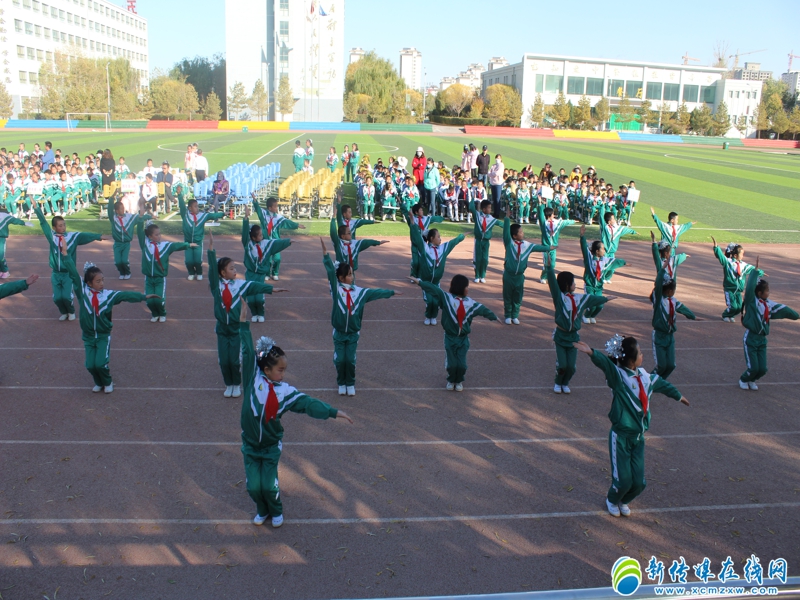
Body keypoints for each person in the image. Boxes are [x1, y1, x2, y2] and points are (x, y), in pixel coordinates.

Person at [238, 311, 352, 528]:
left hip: (270, 447)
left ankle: (276, 509)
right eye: (280, 370)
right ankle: (262, 510)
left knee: (269, 486)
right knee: (254, 487)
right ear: (267, 369)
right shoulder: (252, 378)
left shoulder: (285, 392)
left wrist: (333, 412)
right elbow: (246, 348)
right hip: (250, 446)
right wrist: (244, 324)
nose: (283, 373)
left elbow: (308, 404)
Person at [573, 335, 689, 517]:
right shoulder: (618, 378)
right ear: (631, 359)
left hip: (638, 438)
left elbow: (662, 384)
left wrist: (678, 396)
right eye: (640, 353)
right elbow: (606, 365)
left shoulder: (645, 377)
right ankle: (612, 499)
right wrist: (592, 353)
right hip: (621, 436)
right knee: (623, 480)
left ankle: (624, 500)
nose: (643, 356)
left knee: (639, 483)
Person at [62, 249, 154, 393]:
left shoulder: (108, 295)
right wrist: (66, 256)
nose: (102, 283)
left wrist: (142, 297)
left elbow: (124, 295)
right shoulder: (82, 292)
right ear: (89, 283)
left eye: (103, 280)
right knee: (90, 365)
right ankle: (98, 382)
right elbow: (73, 273)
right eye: (98, 281)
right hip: (88, 336)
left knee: (100, 363)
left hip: (103, 335)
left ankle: (107, 381)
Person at [208, 231, 286, 399]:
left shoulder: (240, 285)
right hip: (222, 329)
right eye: (231, 268)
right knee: (224, 360)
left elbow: (256, 286)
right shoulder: (216, 286)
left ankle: (236, 384)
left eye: (235, 267)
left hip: (236, 329)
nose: (235, 271)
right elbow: (211, 272)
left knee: (234, 360)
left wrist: (272, 289)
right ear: (222, 273)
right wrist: (211, 250)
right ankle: (228, 384)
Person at [321, 238, 398, 396]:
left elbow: (375, 293)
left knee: (350, 360)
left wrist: (391, 292)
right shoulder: (336, 290)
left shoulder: (359, 292)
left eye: (352, 274)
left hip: (353, 333)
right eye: (349, 275)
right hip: (339, 333)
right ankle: (341, 382)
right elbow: (330, 272)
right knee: (340, 360)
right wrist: (326, 256)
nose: (353, 277)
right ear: (341, 279)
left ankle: (350, 382)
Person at [409, 274, 497, 391]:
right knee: (452, 364)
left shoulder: (470, 303)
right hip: (450, 338)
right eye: (466, 287)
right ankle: (451, 380)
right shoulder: (447, 299)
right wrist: (420, 282)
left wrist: (494, 317)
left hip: (463, 339)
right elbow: (434, 289)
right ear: (461, 288)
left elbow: (482, 309)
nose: (468, 289)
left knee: (461, 365)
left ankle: (459, 380)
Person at [546, 265, 611, 394]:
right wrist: (549, 268)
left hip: (573, 338)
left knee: (571, 367)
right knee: (562, 365)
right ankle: (558, 382)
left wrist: (605, 299)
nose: (575, 284)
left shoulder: (579, 298)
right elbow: (553, 283)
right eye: (573, 282)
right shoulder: (559, 298)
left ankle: (566, 383)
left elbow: (592, 299)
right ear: (567, 285)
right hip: (561, 337)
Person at [33, 205, 103, 320]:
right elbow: (43, 222)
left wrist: (98, 236)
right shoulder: (52, 237)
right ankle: (63, 312)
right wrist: (36, 206)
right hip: (56, 273)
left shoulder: (72, 237)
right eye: (60, 226)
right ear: (54, 227)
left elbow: (84, 235)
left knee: (66, 296)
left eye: (64, 224)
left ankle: (71, 311)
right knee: (57, 298)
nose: (63, 227)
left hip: (68, 273)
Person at [739, 260, 799, 390]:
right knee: (753, 367)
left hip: (762, 340)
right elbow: (749, 287)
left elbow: (784, 310)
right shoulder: (752, 302)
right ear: (759, 293)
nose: (769, 293)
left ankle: (752, 380)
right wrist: (755, 272)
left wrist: (797, 315)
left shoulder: (768, 304)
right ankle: (744, 379)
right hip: (751, 338)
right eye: (767, 291)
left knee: (763, 369)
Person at [136, 214, 195, 322]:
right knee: (149, 300)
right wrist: (141, 218)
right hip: (148, 278)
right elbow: (140, 231)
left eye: (160, 234)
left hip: (159, 278)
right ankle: (154, 314)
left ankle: (162, 313)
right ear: (149, 236)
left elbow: (176, 245)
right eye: (156, 235)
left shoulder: (165, 246)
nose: (159, 236)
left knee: (159, 300)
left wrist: (188, 245)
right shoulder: (145, 245)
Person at [242, 207, 291, 323]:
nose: (262, 236)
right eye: (259, 235)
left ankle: (260, 313)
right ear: (253, 237)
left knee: (259, 297)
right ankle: (254, 313)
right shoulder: (247, 244)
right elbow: (244, 233)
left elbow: (276, 244)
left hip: (260, 275)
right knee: (251, 297)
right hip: (250, 274)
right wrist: (246, 218)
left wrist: (288, 241)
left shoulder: (265, 243)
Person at [409, 226, 466, 325]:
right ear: (431, 238)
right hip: (425, 282)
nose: (440, 239)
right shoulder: (425, 248)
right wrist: (413, 224)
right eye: (438, 237)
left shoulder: (443, 248)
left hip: (436, 282)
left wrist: (462, 236)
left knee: (435, 301)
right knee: (429, 301)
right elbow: (417, 237)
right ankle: (428, 316)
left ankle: (433, 316)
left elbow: (453, 242)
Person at [502, 217, 551, 325]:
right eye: (520, 232)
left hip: (519, 276)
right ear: (514, 236)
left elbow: (539, 247)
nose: (523, 233)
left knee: (518, 296)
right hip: (509, 275)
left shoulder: (527, 245)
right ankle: (508, 315)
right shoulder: (509, 243)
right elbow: (506, 231)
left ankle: (515, 315)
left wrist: (550, 247)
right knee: (508, 296)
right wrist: (506, 219)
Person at [651, 267, 697, 379]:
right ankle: (648, 381)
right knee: (661, 366)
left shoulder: (673, 301)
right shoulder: (658, 300)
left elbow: (683, 308)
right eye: (673, 289)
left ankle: (661, 381)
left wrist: (693, 316)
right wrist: (662, 269)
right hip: (659, 336)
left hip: (670, 337)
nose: (673, 291)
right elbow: (657, 283)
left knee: (671, 365)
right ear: (668, 290)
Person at [580, 224, 625, 325]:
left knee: (600, 305)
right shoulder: (589, 259)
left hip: (599, 287)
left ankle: (592, 316)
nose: (604, 250)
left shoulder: (605, 260)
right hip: (590, 286)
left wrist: (624, 263)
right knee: (592, 304)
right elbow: (584, 248)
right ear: (597, 251)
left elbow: (615, 262)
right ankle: (586, 315)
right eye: (603, 249)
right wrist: (582, 237)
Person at [253, 197, 305, 280]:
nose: (277, 208)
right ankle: (267, 274)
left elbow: (287, 222)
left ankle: (275, 273)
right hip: (266, 241)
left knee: (277, 258)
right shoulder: (263, 214)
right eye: (275, 206)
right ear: (270, 208)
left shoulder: (277, 217)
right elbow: (258, 209)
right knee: (267, 259)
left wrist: (297, 225)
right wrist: (255, 201)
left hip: (275, 240)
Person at [178, 192, 225, 281]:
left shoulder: (202, 216)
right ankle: (191, 273)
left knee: (197, 261)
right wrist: (180, 195)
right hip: (188, 243)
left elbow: (212, 215)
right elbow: (181, 206)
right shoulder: (185, 215)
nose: (197, 208)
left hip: (198, 243)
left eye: (197, 206)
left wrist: (223, 214)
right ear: (190, 208)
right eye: (195, 206)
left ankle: (199, 272)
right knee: (188, 261)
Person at [711, 236, 755, 323]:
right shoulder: (728, 262)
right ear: (735, 255)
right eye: (741, 254)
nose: (743, 256)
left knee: (739, 307)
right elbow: (721, 257)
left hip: (738, 290)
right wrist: (716, 247)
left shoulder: (743, 265)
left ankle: (731, 315)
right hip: (729, 289)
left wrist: (759, 272)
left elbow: (752, 269)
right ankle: (725, 315)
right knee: (733, 306)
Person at [401, 203, 444, 278]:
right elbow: (405, 212)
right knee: (415, 262)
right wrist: (401, 203)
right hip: (415, 243)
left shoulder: (426, 219)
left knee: (422, 260)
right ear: (416, 212)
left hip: (424, 243)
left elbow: (435, 218)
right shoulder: (412, 219)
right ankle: (413, 275)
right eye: (420, 210)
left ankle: (419, 276)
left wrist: (442, 218)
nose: (422, 211)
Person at [537, 205, 576, 284]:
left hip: (553, 247)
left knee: (553, 264)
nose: (553, 215)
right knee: (546, 263)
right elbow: (540, 214)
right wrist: (540, 204)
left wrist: (573, 221)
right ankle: (543, 277)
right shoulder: (543, 223)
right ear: (550, 215)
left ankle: (549, 277)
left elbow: (565, 222)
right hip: (545, 247)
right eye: (552, 214)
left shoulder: (557, 223)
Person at [108, 200, 145, 280]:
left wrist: (145, 214)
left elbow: (139, 217)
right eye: (121, 209)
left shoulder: (129, 217)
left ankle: (127, 272)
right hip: (117, 244)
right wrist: (111, 198)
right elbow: (109, 210)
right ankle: (122, 272)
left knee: (124, 261)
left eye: (123, 208)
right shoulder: (113, 218)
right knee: (118, 262)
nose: (123, 210)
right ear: (117, 211)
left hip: (126, 244)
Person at [469, 199, 502, 284]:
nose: (490, 210)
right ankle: (477, 275)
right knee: (478, 258)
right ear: (483, 209)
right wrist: (472, 197)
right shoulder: (477, 215)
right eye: (489, 208)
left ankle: (482, 275)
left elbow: (501, 224)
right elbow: (471, 207)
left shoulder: (491, 219)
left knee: (485, 259)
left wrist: (510, 227)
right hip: (478, 241)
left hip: (486, 242)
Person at [0, 210, 34, 278]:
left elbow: (14, 220)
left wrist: (24, 223)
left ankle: (5, 271)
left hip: (1, 238)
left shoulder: (4, 216)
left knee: (1, 256)